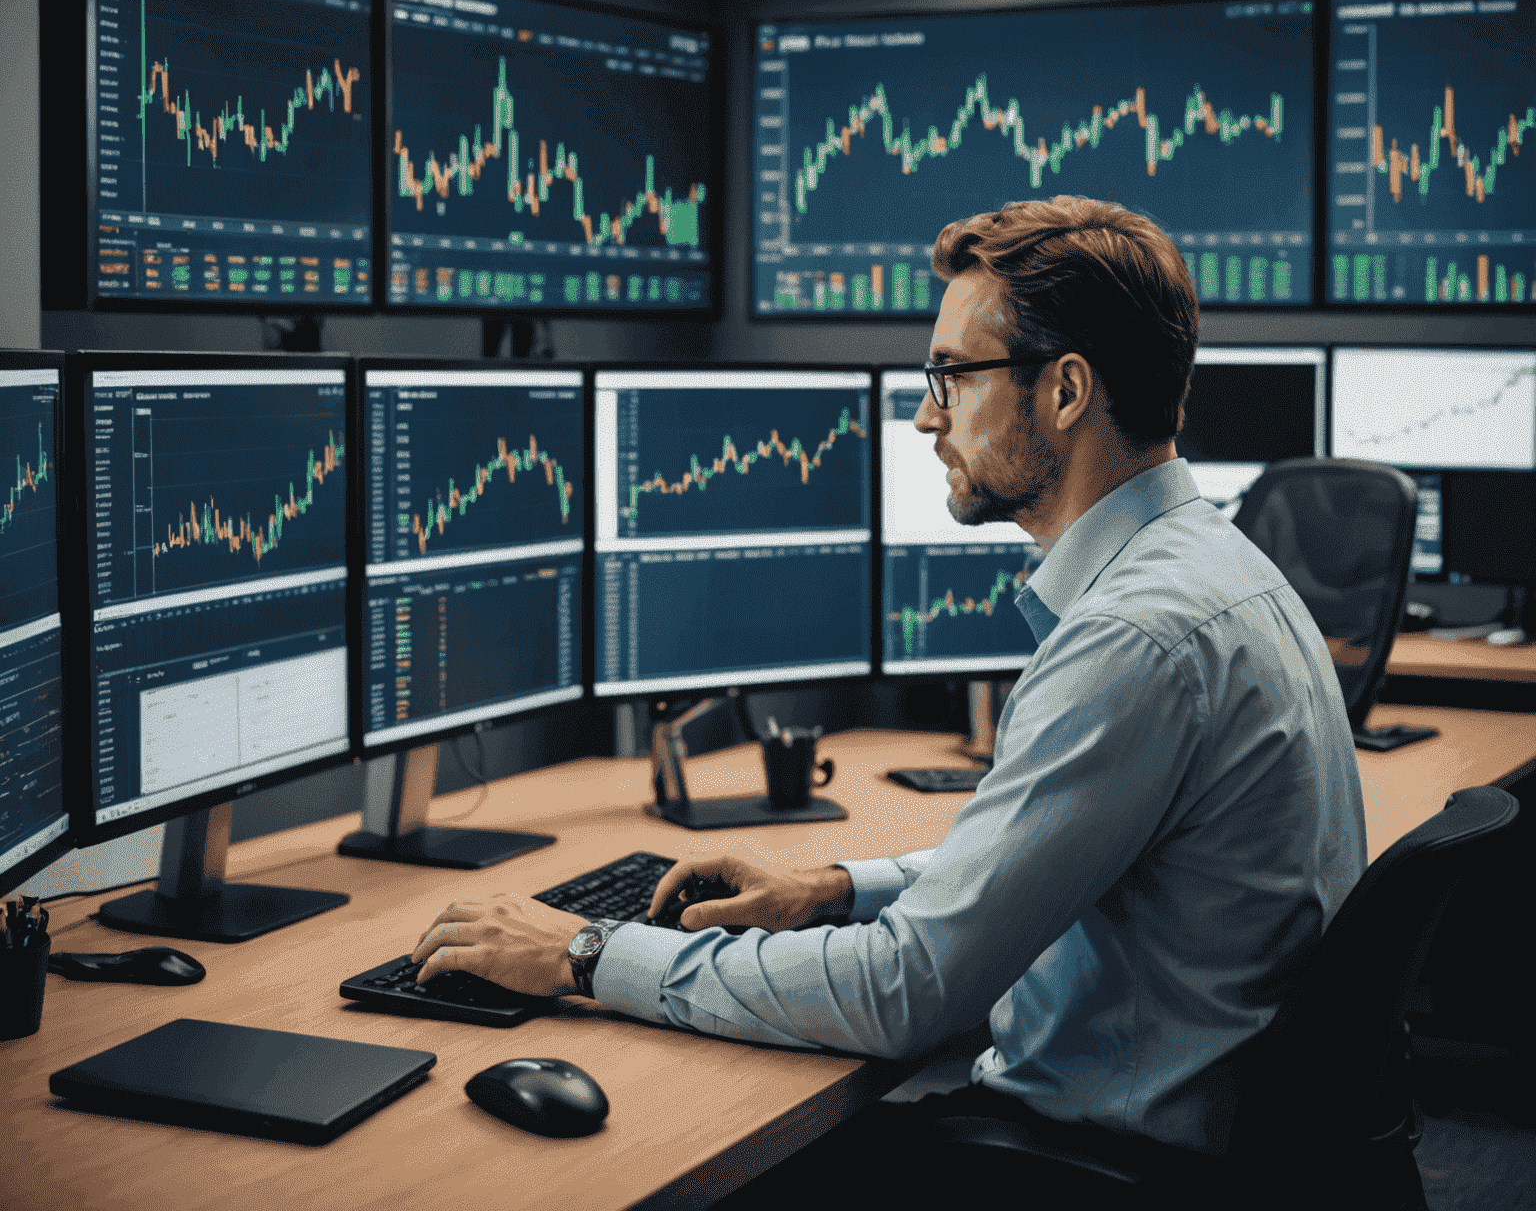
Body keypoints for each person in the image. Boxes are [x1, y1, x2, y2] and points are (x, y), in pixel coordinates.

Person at [410, 195, 1366, 1200]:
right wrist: (837, 888)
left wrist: (585, 951)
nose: (924, 414)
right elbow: (1050, 859)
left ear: (1067, 391)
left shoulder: (1132, 639)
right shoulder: (1221, 568)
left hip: (1099, 1170)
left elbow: (903, 994)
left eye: (951, 375)